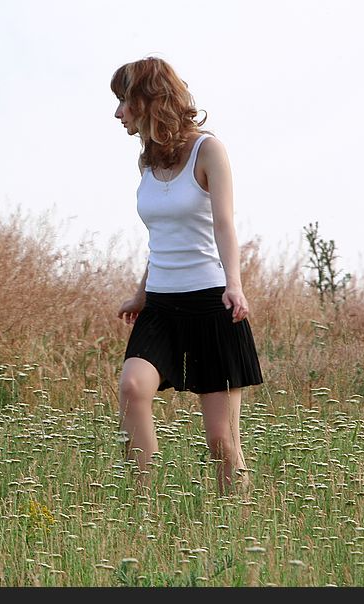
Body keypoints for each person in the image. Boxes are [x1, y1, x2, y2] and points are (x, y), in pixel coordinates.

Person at [111, 56, 263, 495]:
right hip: (160, 306)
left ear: (148, 99)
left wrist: (234, 285)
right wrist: (141, 294)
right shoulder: (146, 164)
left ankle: (240, 522)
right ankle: (143, 503)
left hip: (211, 304)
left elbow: (223, 225)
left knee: (221, 441)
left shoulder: (208, 150)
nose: (118, 113)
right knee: (132, 387)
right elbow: (162, 236)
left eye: (124, 100)